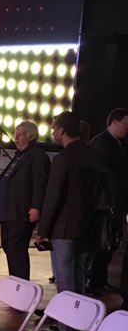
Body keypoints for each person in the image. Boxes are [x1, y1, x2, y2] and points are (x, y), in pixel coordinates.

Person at [36, 112, 101, 303]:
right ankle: (79, 316)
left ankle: (66, 319)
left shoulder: (62, 159)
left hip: (63, 228)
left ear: (62, 130)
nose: (53, 133)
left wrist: (42, 230)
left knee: (64, 278)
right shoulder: (94, 156)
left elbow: (53, 196)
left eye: (54, 129)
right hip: (87, 225)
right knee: (79, 274)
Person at [0, 120, 50, 279]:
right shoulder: (20, 155)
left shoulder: (37, 156)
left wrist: (36, 206)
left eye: (20, 134)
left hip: (20, 212)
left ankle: (20, 284)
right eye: (15, 134)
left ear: (30, 136)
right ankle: (16, 282)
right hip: (10, 212)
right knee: (9, 246)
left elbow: (40, 183)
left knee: (16, 248)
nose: (15, 138)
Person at [88, 108, 128, 295]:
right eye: (126, 124)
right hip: (104, 203)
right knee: (102, 244)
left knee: (110, 244)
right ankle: (94, 281)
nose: (127, 128)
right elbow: (105, 173)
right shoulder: (101, 143)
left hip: (114, 202)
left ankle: (99, 280)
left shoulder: (119, 143)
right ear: (114, 123)